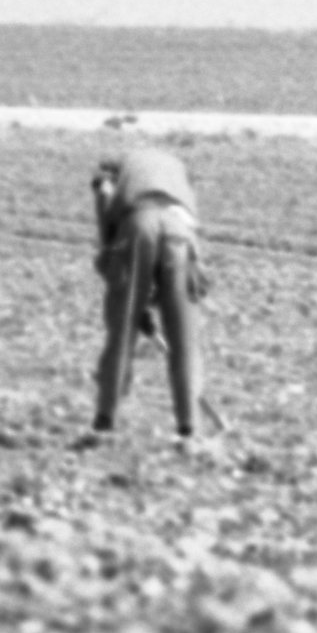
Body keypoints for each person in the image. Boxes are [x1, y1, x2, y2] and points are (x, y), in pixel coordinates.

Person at [89, 123, 204, 445]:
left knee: (121, 332)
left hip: (138, 224)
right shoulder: (178, 170)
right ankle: (188, 428)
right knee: (184, 339)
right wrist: (150, 298)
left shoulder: (115, 167)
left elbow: (104, 195)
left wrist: (107, 250)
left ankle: (104, 422)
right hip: (182, 232)